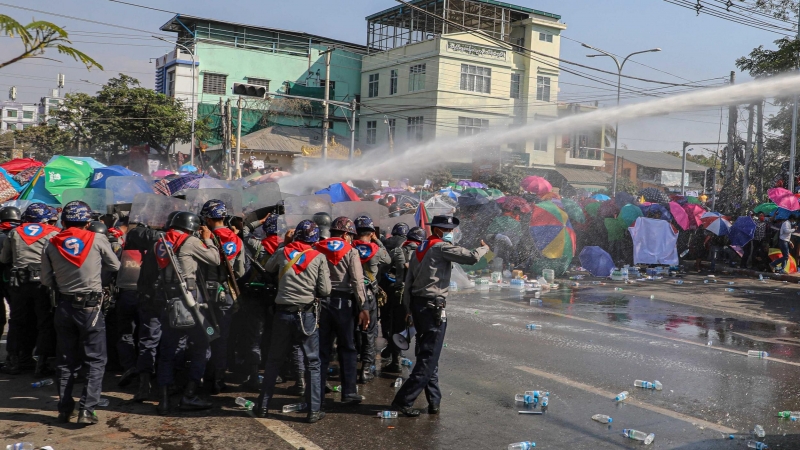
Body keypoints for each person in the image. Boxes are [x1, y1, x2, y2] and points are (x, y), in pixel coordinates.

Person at [392, 216, 489, 417]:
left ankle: (434, 401)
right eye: (448, 229)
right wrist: (484, 248)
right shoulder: (440, 247)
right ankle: (404, 400)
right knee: (428, 357)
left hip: (419, 306)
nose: (450, 232)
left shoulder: (421, 247)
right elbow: (471, 257)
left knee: (429, 354)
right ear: (437, 230)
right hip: (432, 308)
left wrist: (409, 309)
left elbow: (409, 280)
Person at [41, 201, 121, 424]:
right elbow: (115, 266)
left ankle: (65, 409)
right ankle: (87, 410)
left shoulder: (51, 242)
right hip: (90, 308)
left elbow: (47, 280)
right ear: (88, 223)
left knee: (65, 361)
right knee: (95, 360)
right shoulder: (97, 238)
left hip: (63, 306)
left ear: (63, 222)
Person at [256, 220, 330, 423]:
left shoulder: (283, 252)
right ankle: (314, 410)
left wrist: (284, 244)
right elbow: (325, 291)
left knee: (273, 360)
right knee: (313, 363)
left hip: (282, 313)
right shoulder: (319, 257)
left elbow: (269, 268)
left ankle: (262, 406)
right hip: (306, 315)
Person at [154, 212, 220, 415]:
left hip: (168, 299)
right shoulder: (190, 241)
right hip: (190, 300)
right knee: (201, 344)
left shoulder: (160, 242)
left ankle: (164, 399)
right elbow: (215, 259)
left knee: (167, 350)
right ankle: (189, 395)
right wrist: (208, 239)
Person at [0, 203, 60, 376]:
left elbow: (5, 259)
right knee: (44, 321)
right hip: (42, 282)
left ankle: (13, 361)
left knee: (17, 321)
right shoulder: (53, 232)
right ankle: (41, 363)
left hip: (18, 282)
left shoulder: (14, 232)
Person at [314, 217, 367, 405]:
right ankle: (348, 392)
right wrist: (364, 307)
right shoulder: (351, 252)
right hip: (344, 304)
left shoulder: (317, 247)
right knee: (347, 348)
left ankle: (317, 394)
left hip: (321, 302)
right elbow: (357, 281)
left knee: (322, 350)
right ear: (345, 234)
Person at [199, 199, 245, 394]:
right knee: (223, 337)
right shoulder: (236, 239)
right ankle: (218, 378)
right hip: (225, 295)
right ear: (224, 217)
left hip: (203, 295)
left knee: (207, 333)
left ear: (208, 219)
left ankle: (203, 376)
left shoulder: (201, 237)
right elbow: (240, 271)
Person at [237, 214, 281, 392]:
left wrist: (259, 222)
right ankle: (274, 373)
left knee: (254, 337)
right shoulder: (285, 247)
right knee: (274, 337)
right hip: (276, 297)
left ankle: (254, 375)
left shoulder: (258, 245)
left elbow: (244, 231)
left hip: (256, 295)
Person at [352, 215, 391, 383]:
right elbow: (388, 260)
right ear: (371, 232)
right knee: (369, 331)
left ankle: (351, 365)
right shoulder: (377, 251)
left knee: (352, 329)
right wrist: (378, 241)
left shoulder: (349, 248)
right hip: (369, 293)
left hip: (352, 292)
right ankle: (366, 369)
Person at [383, 226, 425, 372]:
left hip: (399, 295)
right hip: (420, 296)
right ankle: (421, 365)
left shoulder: (398, 251)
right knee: (421, 330)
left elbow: (384, 267)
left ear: (408, 239)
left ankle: (396, 362)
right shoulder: (426, 253)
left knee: (397, 328)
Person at [0, 206, 22, 373]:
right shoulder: (19, 234)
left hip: (7, 280)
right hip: (13, 282)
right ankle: (14, 357)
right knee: (17, 318)